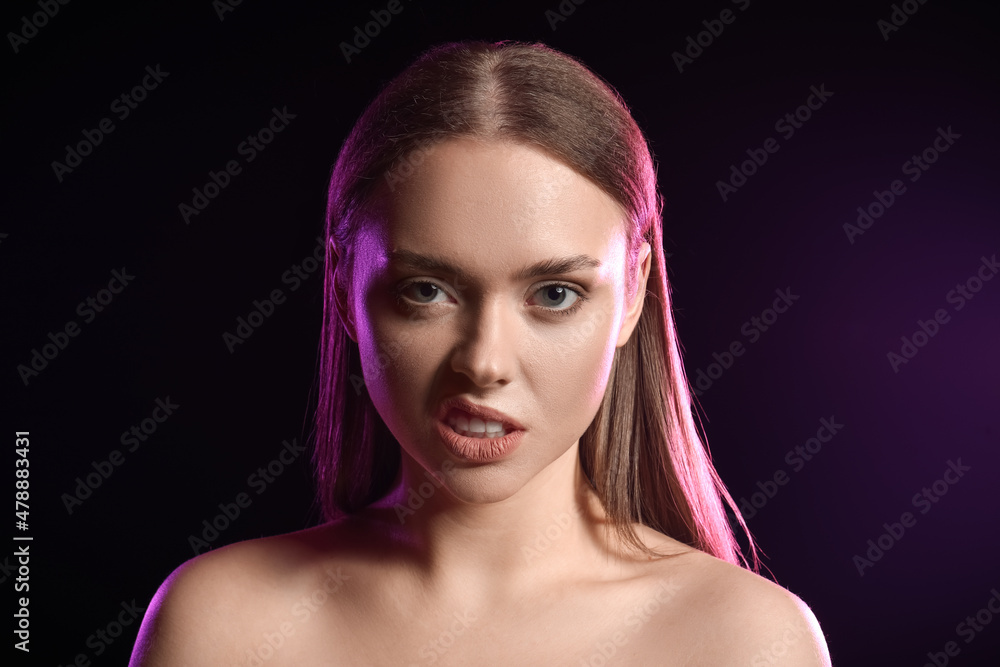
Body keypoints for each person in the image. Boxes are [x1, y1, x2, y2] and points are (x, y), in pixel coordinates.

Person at [130, 40, 832, 665]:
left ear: (634, 290)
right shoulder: (220, 627)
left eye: (555, 293)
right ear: (343, 287)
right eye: (428, 290)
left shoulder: (747, 643)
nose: (485, 362)